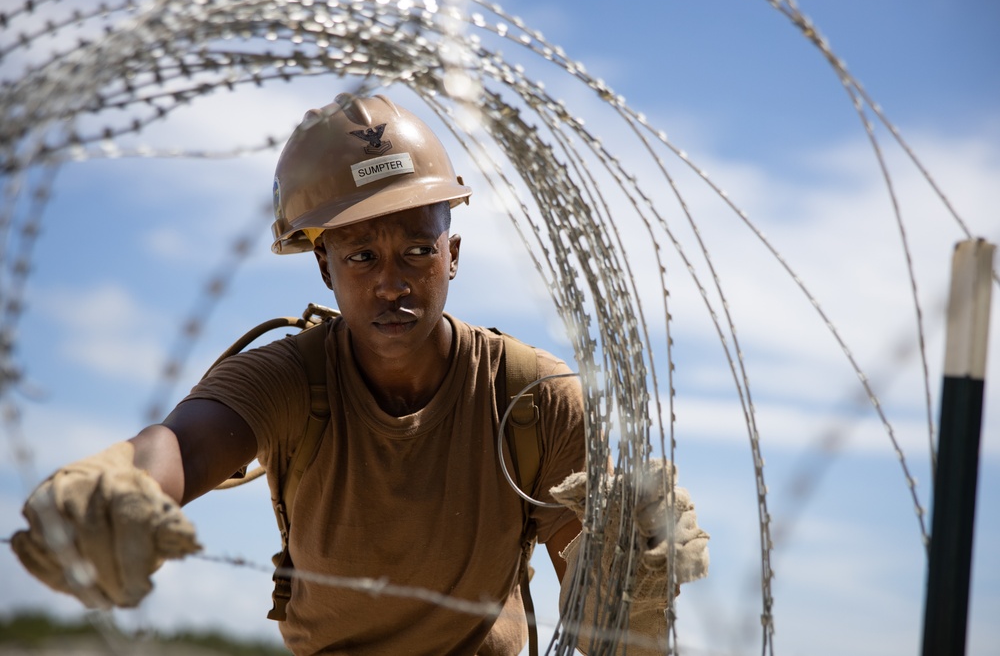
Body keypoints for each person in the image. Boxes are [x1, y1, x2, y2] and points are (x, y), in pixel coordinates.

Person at [11, 93, 709, 655]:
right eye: (361, 257)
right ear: (323, 267)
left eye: (415, 251)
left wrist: (634, 600)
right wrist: (119, 484)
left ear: (453, 254)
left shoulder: (531, 397)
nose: (391, 285)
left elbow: (603, 614)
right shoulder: (291, 379)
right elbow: (186, 445)